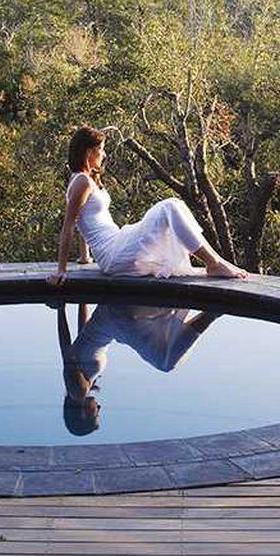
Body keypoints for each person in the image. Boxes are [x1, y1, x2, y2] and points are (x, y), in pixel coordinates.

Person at [48, 124, 248, 283]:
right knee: (169, 207)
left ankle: (215, 262)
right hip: (112, 253)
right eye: (100, 150)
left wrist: (85, 258)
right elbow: (69, 225)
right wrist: (61, 270)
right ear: (87, 152)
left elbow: (83, 219)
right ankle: (213, 263)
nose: (104, 154)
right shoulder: (82, 182)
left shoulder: (85, 179)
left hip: (117, 241)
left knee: (175, 205)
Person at [55, 301, 220, 436]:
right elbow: (84, 330)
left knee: (165, 362)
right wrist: (82, 299)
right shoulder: (81, 386)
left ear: (82, 415)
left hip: (116, 320)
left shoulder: (78, 392)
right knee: (162, 350)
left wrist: (60, 308)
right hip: (109, 318)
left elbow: (65, 350)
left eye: (96, 415)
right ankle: (210, 312)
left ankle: (212, 312)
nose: (99, 408)